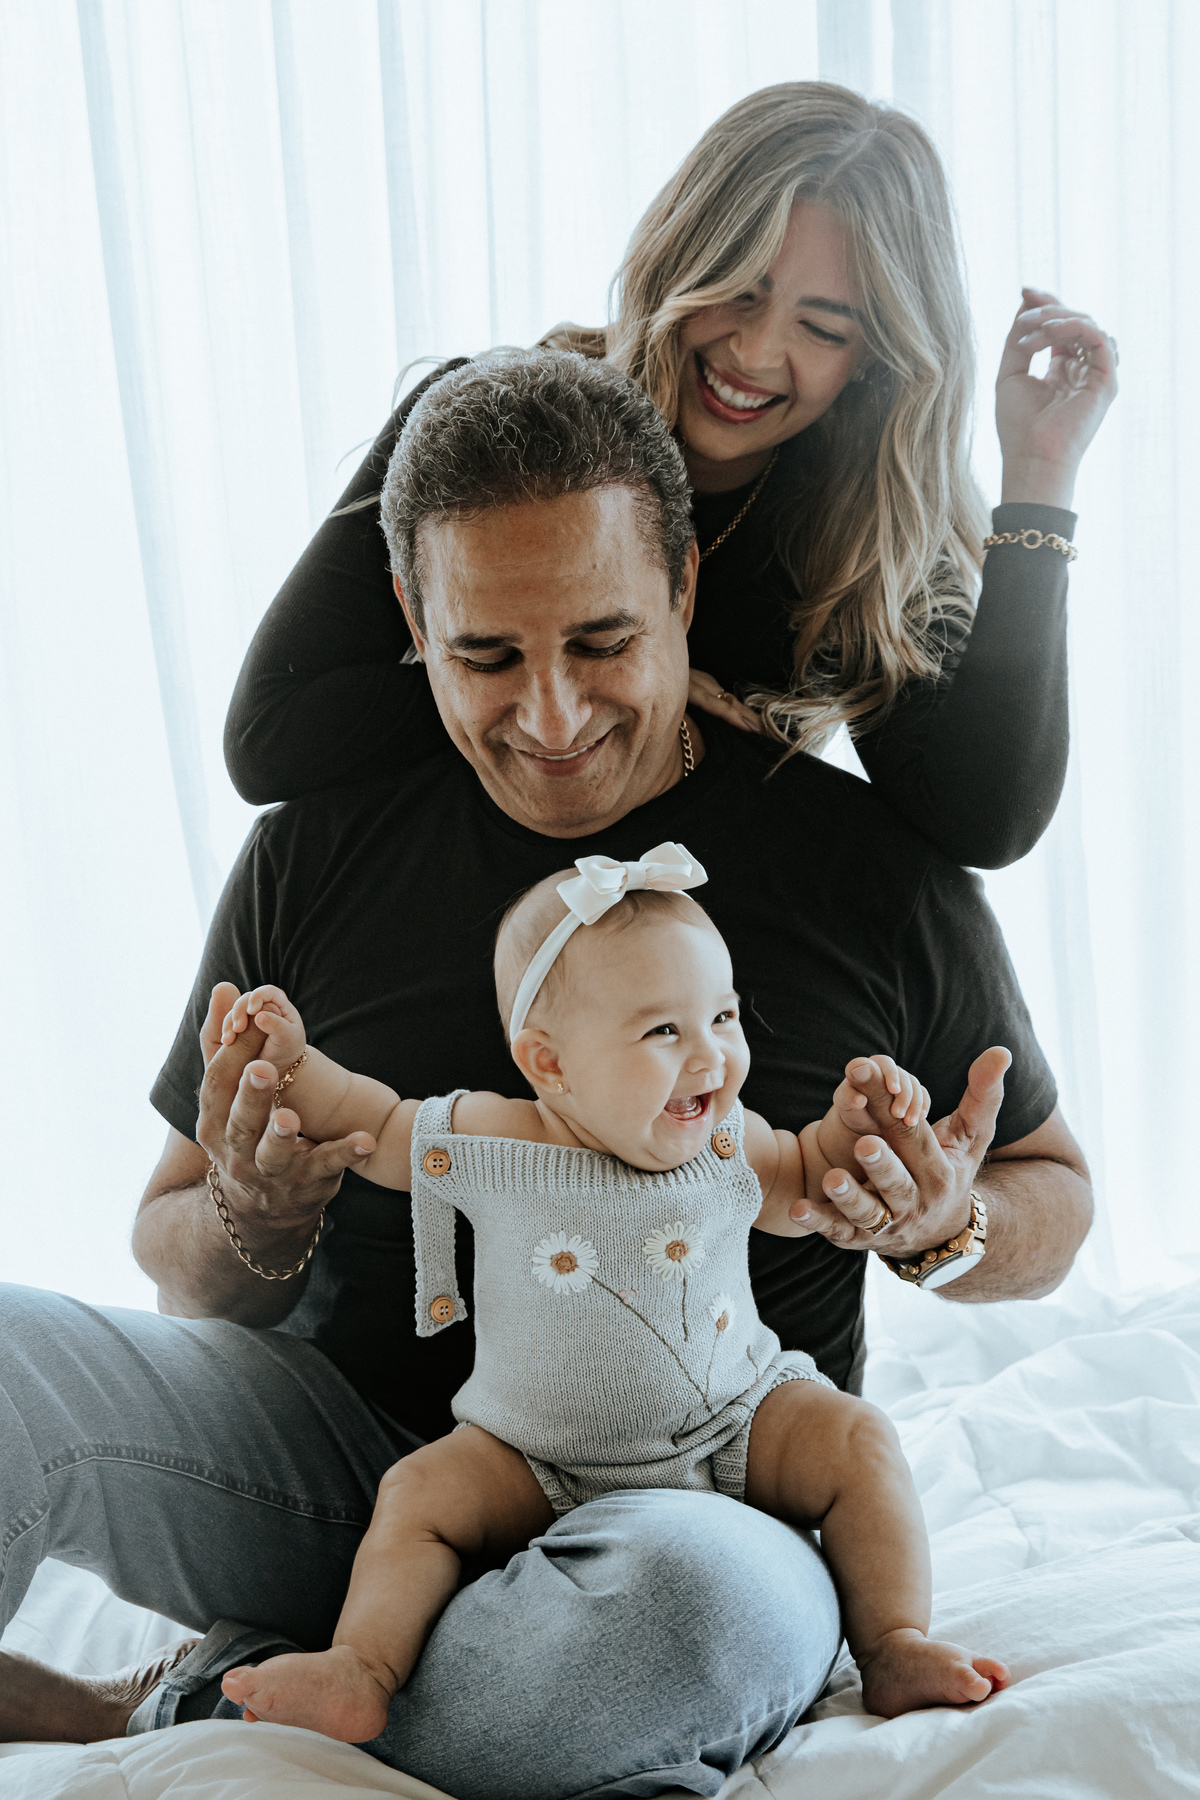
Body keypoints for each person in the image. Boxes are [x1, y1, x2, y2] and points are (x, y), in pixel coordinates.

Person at [0, 352, 1090, 1800]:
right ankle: (385, 1664)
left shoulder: (868, 867)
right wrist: (255, 1219)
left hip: (705, 1496)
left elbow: (1050, 1197)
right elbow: (177, 1249)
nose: (554, 716)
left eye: (601, 641)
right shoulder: (318, 849)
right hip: (371, 1486)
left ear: (683, 588)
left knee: (692, 1621)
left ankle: (216, 1692)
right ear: (415, 623)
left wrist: (942, 1222)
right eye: (488, 659)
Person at [207, 865, 1010, 1743]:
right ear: (549, 1063)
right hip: (532, 1453)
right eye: (665, 1030)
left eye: (723, 1017)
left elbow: (807, 1184)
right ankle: (362, 1668)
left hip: (736, 1424)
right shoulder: (494, 1141)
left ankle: (893, 1643)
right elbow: (378, 1122)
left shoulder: (729, 1141)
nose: (710, 1057)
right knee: (419, 1493)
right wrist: (290, 1067)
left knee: (859, 1439)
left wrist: (857, 1133)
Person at [223, 82, 1118, 869]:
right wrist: (632, 682)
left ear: (874, 359)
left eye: (823, 328)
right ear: (680, 257)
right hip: (458, 877)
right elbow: (270, 736)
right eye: (740, 288)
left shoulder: (863, 533)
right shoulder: (485, 432)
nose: (755, 353)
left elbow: (984, 822)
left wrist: (1040, 478)